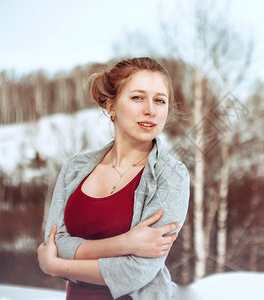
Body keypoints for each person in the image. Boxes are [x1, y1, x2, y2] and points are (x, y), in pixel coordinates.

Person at [37, 57, 190, 299]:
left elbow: (135, 271)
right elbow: (55, 243)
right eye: (137, 97)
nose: (150, 109)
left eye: (160, 100)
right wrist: (126, 243)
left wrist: (56, 267)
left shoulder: (171, 175)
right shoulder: (75, 168)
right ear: (111, 106)